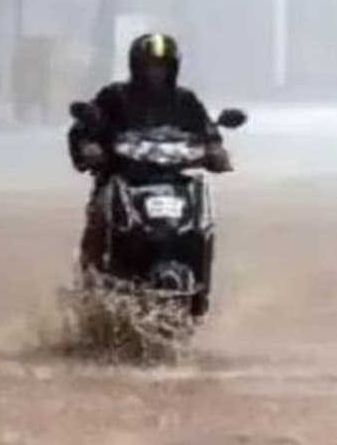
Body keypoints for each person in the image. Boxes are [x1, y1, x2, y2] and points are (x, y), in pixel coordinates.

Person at [67, 32, 229, 315]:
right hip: (123, 177)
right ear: (136, 67)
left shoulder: (185, 101)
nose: (156, 72)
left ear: (173, 68)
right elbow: (83, 129)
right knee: (100, 212)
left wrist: (215, 150)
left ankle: (199, 282)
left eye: (162, 66)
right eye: (150, 66)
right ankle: (91, 284)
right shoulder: (114, 97)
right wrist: (89, 147)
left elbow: (207, 132)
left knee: (202, 215)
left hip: (173, 180)